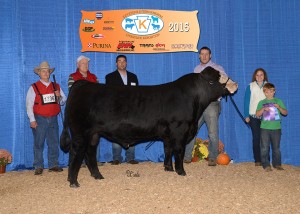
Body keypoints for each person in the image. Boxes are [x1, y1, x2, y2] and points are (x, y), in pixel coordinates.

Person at [184, 46, 227, 166]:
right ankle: (187, 156)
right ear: (199, 56)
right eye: (202, 54)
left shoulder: (218, 68)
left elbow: (224, 83)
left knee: (212, 132)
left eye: (206, 54)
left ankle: (213, 157)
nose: (204, 56)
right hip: (198, 105)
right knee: (191, 130)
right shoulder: (196, 69)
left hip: (212, 104)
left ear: (210, 55)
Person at [26, 61, 67, 175]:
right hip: (40, 118)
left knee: (53, 142)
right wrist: (32, 119)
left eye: (47, 71)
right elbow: (29, 104)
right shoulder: (33, 87)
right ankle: (38, 166)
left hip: (53, 118)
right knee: (39, 143)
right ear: (39, 73)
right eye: (43, 71)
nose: (45, 73)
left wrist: (59, 97)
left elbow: (63, 101)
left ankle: (53, 164)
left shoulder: (56, 86)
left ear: (50, 73)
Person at [68, 55, 102, 166]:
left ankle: (93, 160)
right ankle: (79, 161)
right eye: (83, 63)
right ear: (78, 65)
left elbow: (100, 96)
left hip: (94, 112)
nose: (85, 65)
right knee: (79, 137)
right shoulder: (73, 77)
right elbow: (73, 94)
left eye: (87, 63)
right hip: (80, 112)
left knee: (95, 136)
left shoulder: (94, 77)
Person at [105, 55, 139, 165]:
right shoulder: (110, 77)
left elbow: (137, 94)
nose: (122, 63)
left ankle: (130, 157)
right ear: (116, 64)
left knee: (132, 132)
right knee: (116, 132)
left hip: (132, 110)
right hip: (116, 110)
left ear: (126, 63)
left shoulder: (133, 77)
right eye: (119, 61)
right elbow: (109, 95)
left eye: (124, 61)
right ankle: (116, 158)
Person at [256, 83, 287, 172]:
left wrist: (279, 107)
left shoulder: (278, 101)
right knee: (264, 147)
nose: (269, 93)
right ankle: (266, 165)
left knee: (276, 148)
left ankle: (277, 164)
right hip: (264, 128)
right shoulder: (261, 103)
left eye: (271, 91)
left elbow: (285, 113)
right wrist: (263, 109)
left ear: (274, 91)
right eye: (267, 92)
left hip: (276, 128)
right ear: (264, 92)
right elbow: (257, 114)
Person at [244, 68, 268, 166]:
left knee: (265, 138)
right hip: (253, 115)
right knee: (256, 138)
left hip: (266, 116)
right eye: (257, 75)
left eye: (261, 75)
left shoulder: (268, 86)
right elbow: (246, 101)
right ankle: (257, 160)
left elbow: (271, 100)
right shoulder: (250, 86)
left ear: (264, 76)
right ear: (254, 76)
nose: (259, 77)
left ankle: (266, 159)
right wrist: (246, 115)